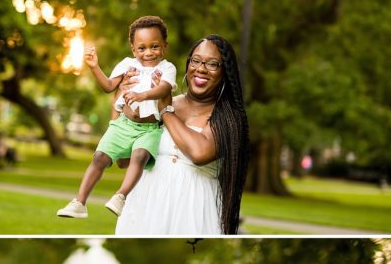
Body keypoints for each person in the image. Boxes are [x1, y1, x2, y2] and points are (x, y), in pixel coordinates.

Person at [116, 35, 250, 235]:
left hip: (193, 208)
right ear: (188, 65)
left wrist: (165, 110)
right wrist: (119, 96)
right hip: (145, 203)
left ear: (224, 72)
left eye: (213, 64)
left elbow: (199, 153)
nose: (201, 68)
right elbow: (123, 159)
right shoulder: (162, 101)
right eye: (196, 61)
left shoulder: (229, 118)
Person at [57, 15, 176, 220]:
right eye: (142, 48)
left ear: (164, 45)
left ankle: (120, 196)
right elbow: (108, 86)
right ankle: (79, 202)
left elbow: (164, 88)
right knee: (99, 157)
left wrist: (143, 95)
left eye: (154, 46)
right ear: (133, 48)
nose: (148, 52)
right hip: (123, 124)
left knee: (140, 156)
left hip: (149, 129)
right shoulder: (127, 64)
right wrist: (94, 67)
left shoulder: (167, 68)